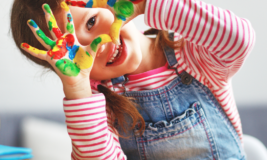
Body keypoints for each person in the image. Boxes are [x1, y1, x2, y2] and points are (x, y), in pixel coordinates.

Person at [10, 0, 255, 159]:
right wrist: (77, 87)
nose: (96, 46)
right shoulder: (97, 105)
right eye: (72, 53)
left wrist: (146, 4)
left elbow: (238, 40)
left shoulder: (193, 56)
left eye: (91, 22)